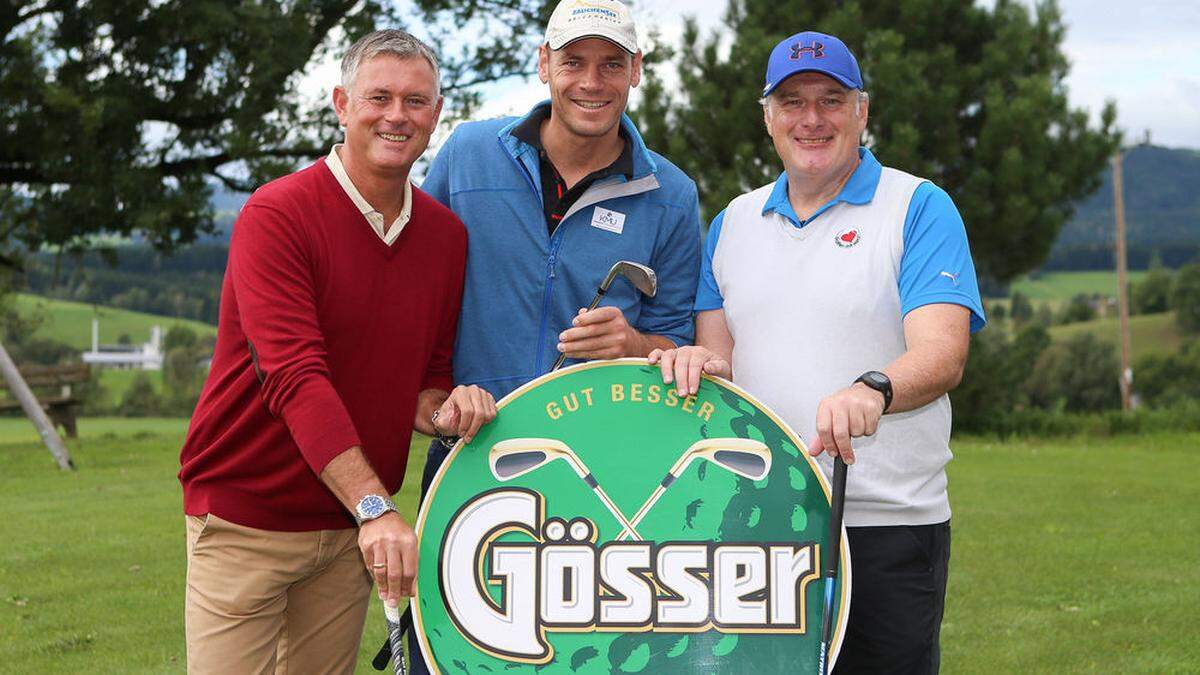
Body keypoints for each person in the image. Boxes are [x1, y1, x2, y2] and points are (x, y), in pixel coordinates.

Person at [650, 31, 986, 674]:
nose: (812, 119)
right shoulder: (733, 223)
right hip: (757, 522)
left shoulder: (917, 207)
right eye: (792, 101)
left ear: (862, 111)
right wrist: (696, 364)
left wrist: (873, 389)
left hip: (885, 523)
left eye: (831, 100)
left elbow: (944, 354)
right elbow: (721, 361)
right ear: (768, 118)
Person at [177, 30, 496, 674]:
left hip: (350, 533)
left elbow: (425, 381)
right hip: (248, 520)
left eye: (415, 101)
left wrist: (448, 411)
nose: (396, 116)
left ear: (437, 114)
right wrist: (376, 507)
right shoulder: (278, 213)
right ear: (342, 103)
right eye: (378, 97)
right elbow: (295, 376)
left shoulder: (444, 236)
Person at [410, 0, 701, 669]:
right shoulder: (468, 154)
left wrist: (630, 344)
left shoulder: (672, 194)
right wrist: (436, 397)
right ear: (544, 64)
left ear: (636, 73)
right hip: (471, 456)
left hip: (607, 481)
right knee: (455, 654)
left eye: (611, 64)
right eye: (573, 61)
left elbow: (679, 345)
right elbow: (415, 294)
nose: (590, 81)